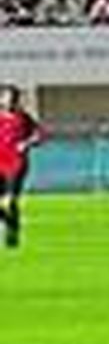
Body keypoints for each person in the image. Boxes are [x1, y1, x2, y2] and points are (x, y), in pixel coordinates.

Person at [0, 83, 45, 250]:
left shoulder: (23, 118)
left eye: (12, 98)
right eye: (5, 97)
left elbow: (40, 135)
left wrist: (26, 143)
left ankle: (12, 235)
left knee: (10, 201)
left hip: (16, 163)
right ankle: (11, 224)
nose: (8, 101)